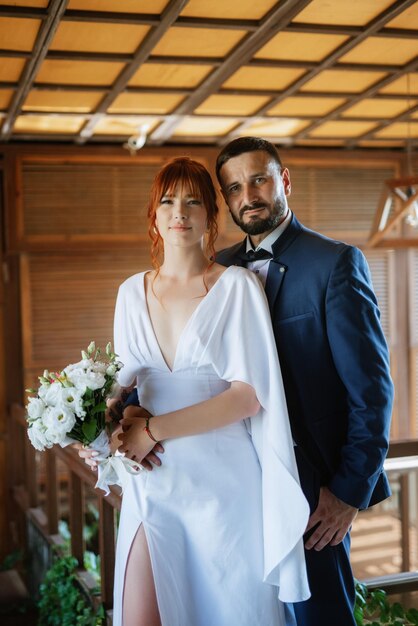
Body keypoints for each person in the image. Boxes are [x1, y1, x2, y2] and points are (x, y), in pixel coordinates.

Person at [79, 156, 310, 626]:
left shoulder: (238, 288)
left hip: (223, 485)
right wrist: (97, 435)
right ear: (155, 214)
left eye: (191, 201)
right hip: (154, 481)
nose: (178, 211)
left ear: (210, 214)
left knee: (223, 610)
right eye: (167, 201)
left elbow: (249, 394)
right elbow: (121, 387)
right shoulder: (130, 293)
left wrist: (153, 430)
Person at [213, 137, 394, 626]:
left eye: (258, 179)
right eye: (233, 188)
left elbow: (372, 393)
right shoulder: (218, 270)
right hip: (235, 486)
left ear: (284, 180)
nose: (247, 195)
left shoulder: (335, 262)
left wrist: (348, 493)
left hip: (313, 492)